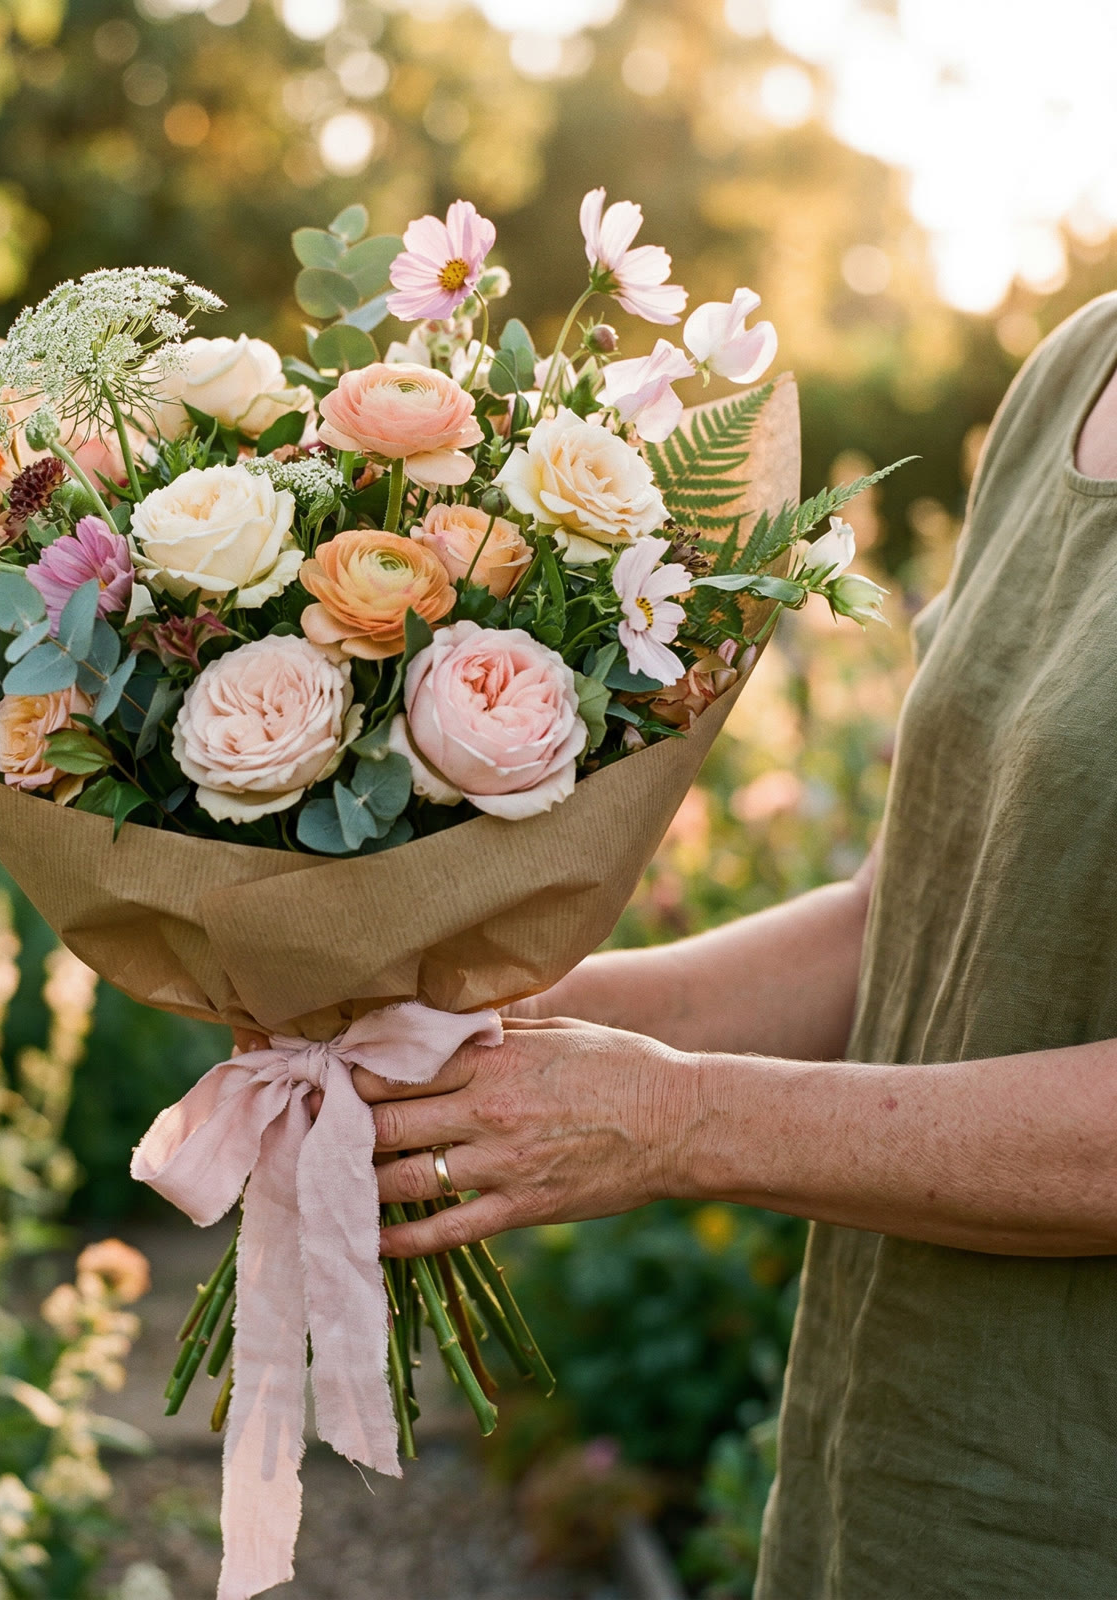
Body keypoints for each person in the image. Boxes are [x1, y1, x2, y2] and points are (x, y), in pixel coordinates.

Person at [353, 293, 1117, 1598]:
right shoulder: (1078, 366)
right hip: (881, 1479)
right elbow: (908, 917)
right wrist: (476, 1017)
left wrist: (677, 1121)